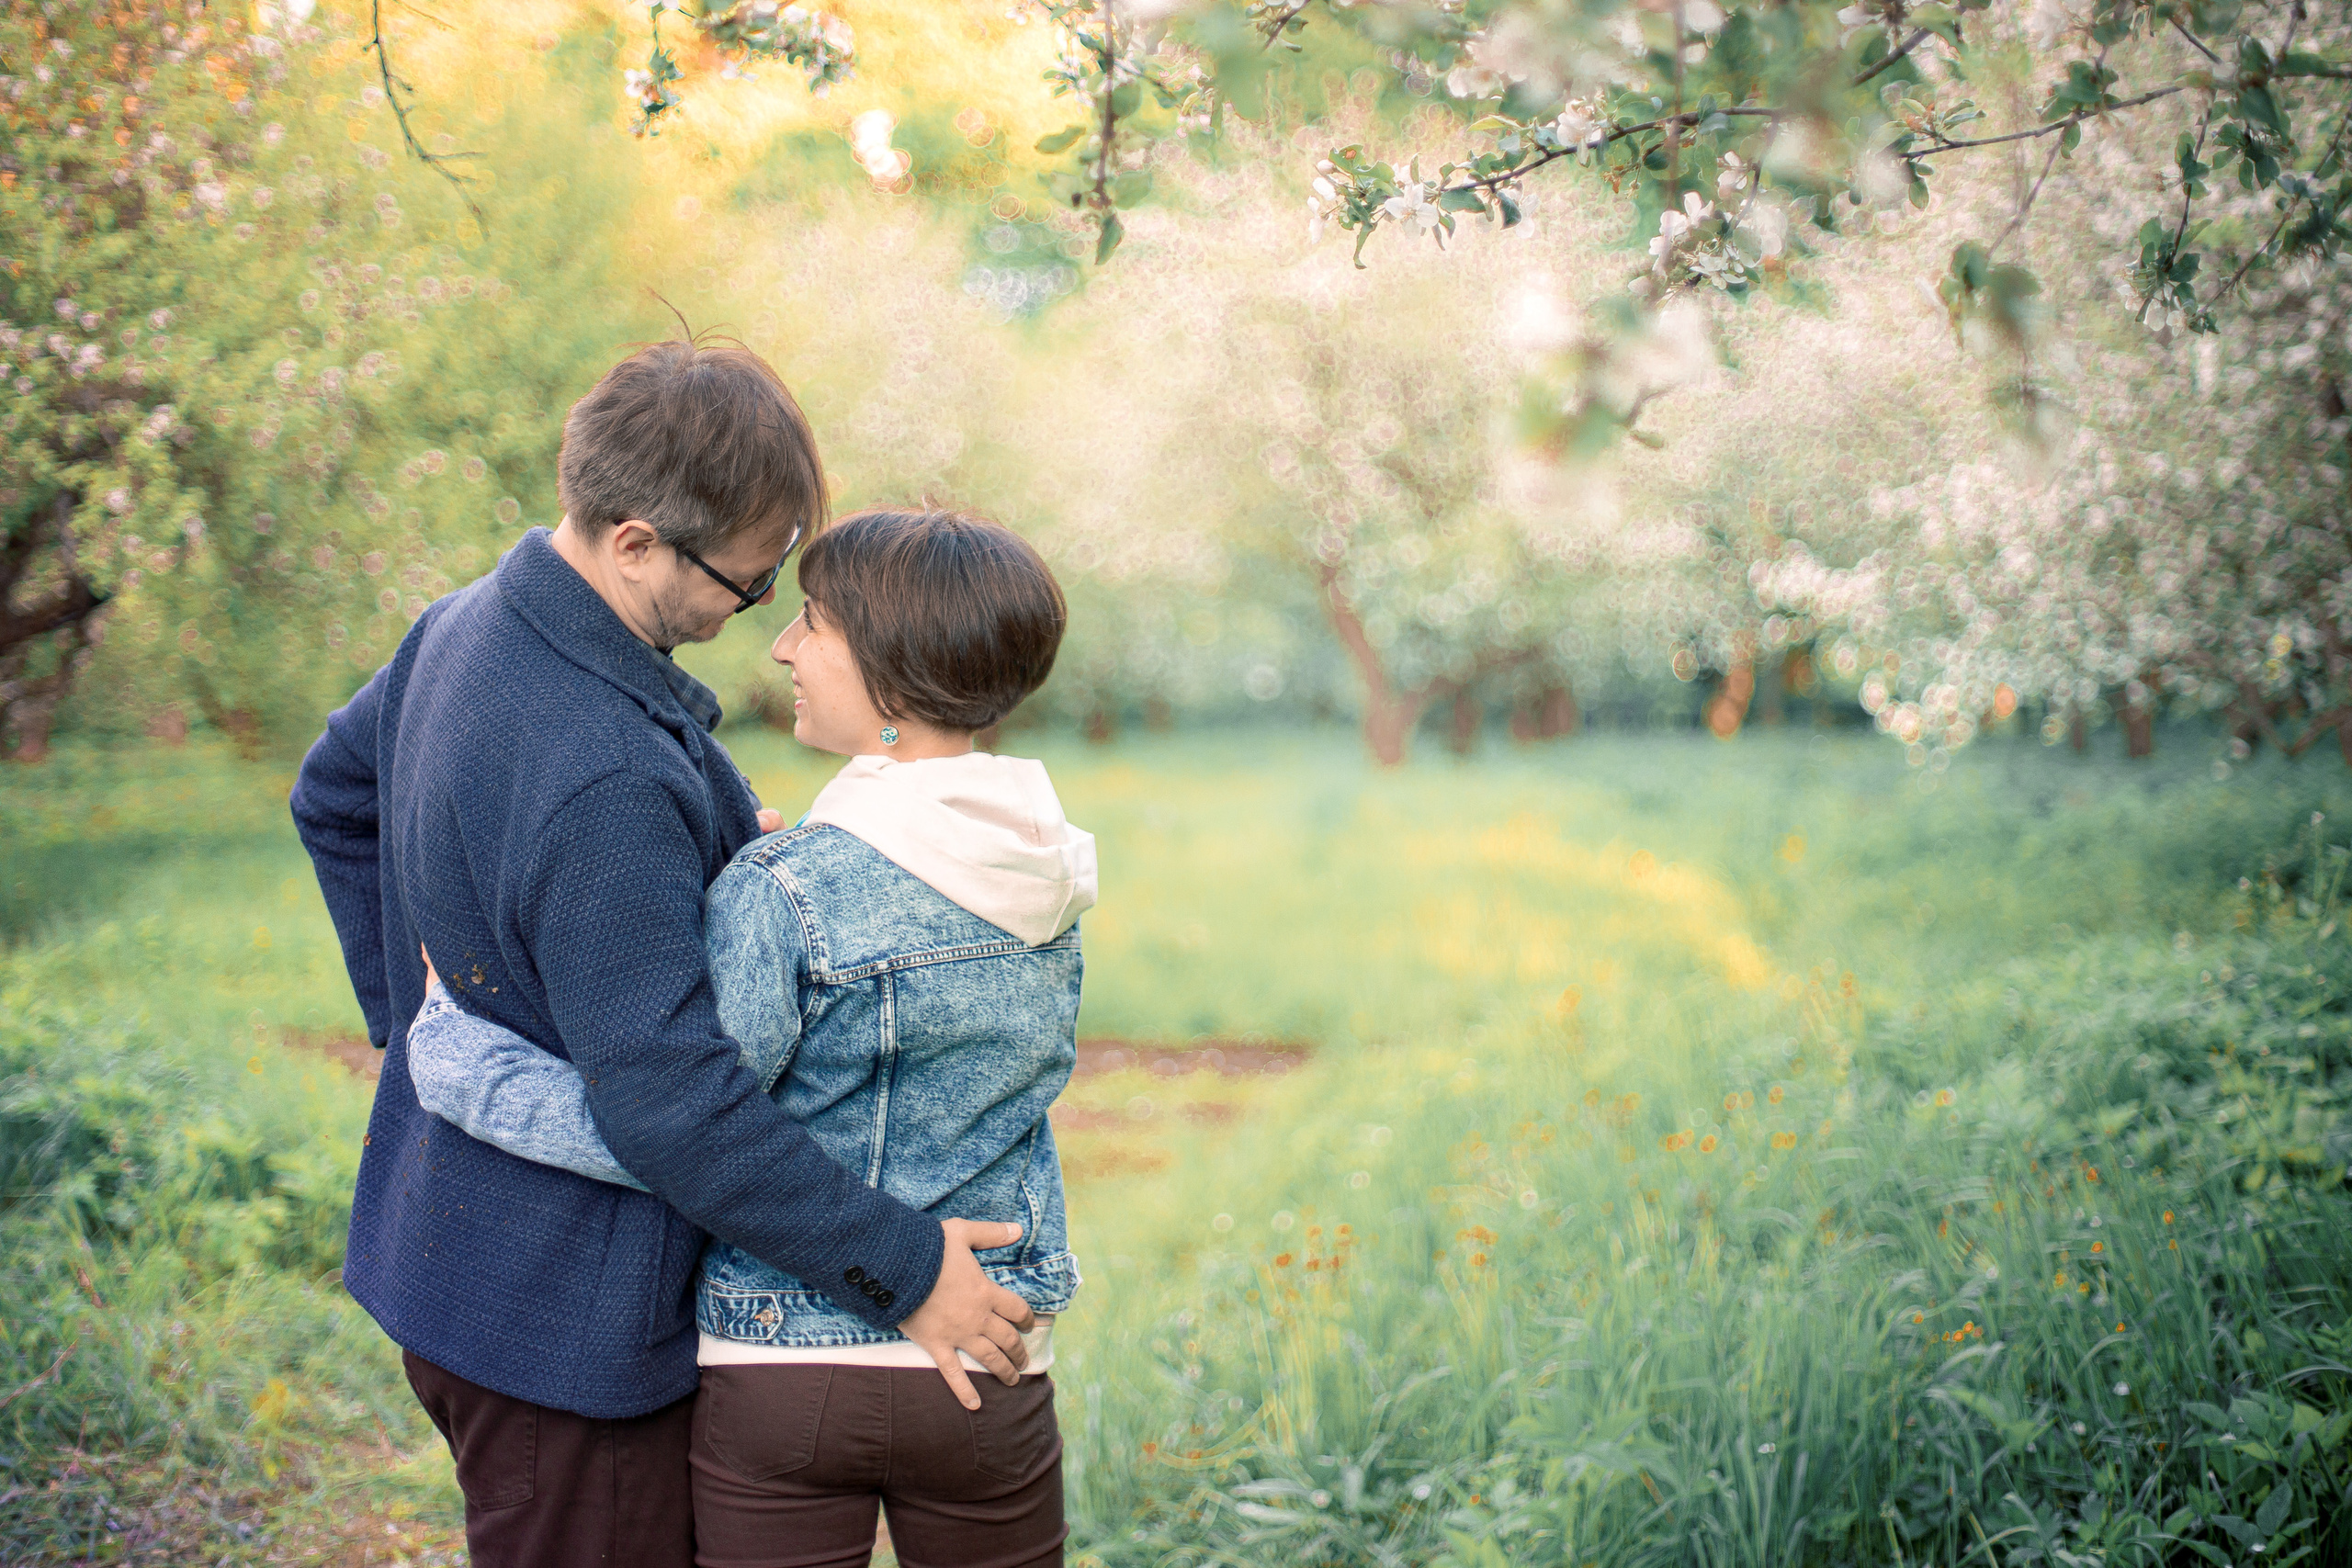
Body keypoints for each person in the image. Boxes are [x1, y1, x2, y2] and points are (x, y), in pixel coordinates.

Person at [289, 344, 1037, 1568]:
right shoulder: (605, 772)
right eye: (744, 584)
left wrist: (429, 1020)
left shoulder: (464, 622)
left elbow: (331, 797)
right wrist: (909, 1270)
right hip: (562, 1326)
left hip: (453, 1251)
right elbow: (675, 1107)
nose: (756, 618)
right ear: (634, 541)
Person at [406, 508, 1091, 1568]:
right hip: (991, 1360)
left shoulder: (787, 892)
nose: (781, 645)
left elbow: (673, 1125)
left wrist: (463, 1062)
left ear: (892, 676)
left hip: (785, 1369)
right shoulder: (1051, 882)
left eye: (812, 622)